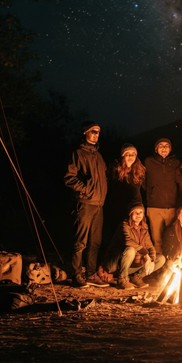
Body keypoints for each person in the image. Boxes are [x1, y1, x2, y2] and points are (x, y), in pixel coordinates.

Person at [64, 121, 109, 288]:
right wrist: (85, 191)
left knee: (95, 241)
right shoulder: (78, 153)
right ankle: (76, 275)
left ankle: (90, 274)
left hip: (99, 203)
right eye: (93, 132)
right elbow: (69, 178)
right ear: (85, 133)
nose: (96, 135)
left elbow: (103, 177)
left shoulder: (98, 155)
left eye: (98, 132)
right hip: (85, 203)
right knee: (80, 241)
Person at [103, 203, 166, 290]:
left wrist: (151, 260)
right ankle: (122, 279)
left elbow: (151, 247)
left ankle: (136, 277)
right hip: (117, 264)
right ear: (130, 214)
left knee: (161, 259)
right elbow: (128, 242)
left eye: (140, 212)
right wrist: (145, 255)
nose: (138, 215)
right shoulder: (124, 225)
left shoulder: (144, 227)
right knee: (131, 250)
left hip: (134, 264)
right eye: (135, 212)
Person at [144, 138, 180, 255]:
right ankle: (159, 265)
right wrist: (152, 192)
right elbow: (142, 180)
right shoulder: (149, 162)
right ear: (156, 149)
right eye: (161, 146)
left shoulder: (176, 163)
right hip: (154, 206)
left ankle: (171, 265)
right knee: (157, 240)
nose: (164, 148)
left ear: (170, 148)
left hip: (172, 206)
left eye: (166, 146)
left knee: (171, 237)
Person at [108, 143, 146, 235]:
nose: (130, 156)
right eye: (127, 154)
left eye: (133, 154)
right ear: (123, 156)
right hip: (120, 207)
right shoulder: (116, 169)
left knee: (135, 233)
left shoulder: (140, 171)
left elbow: (144, 189)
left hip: (135, 206)